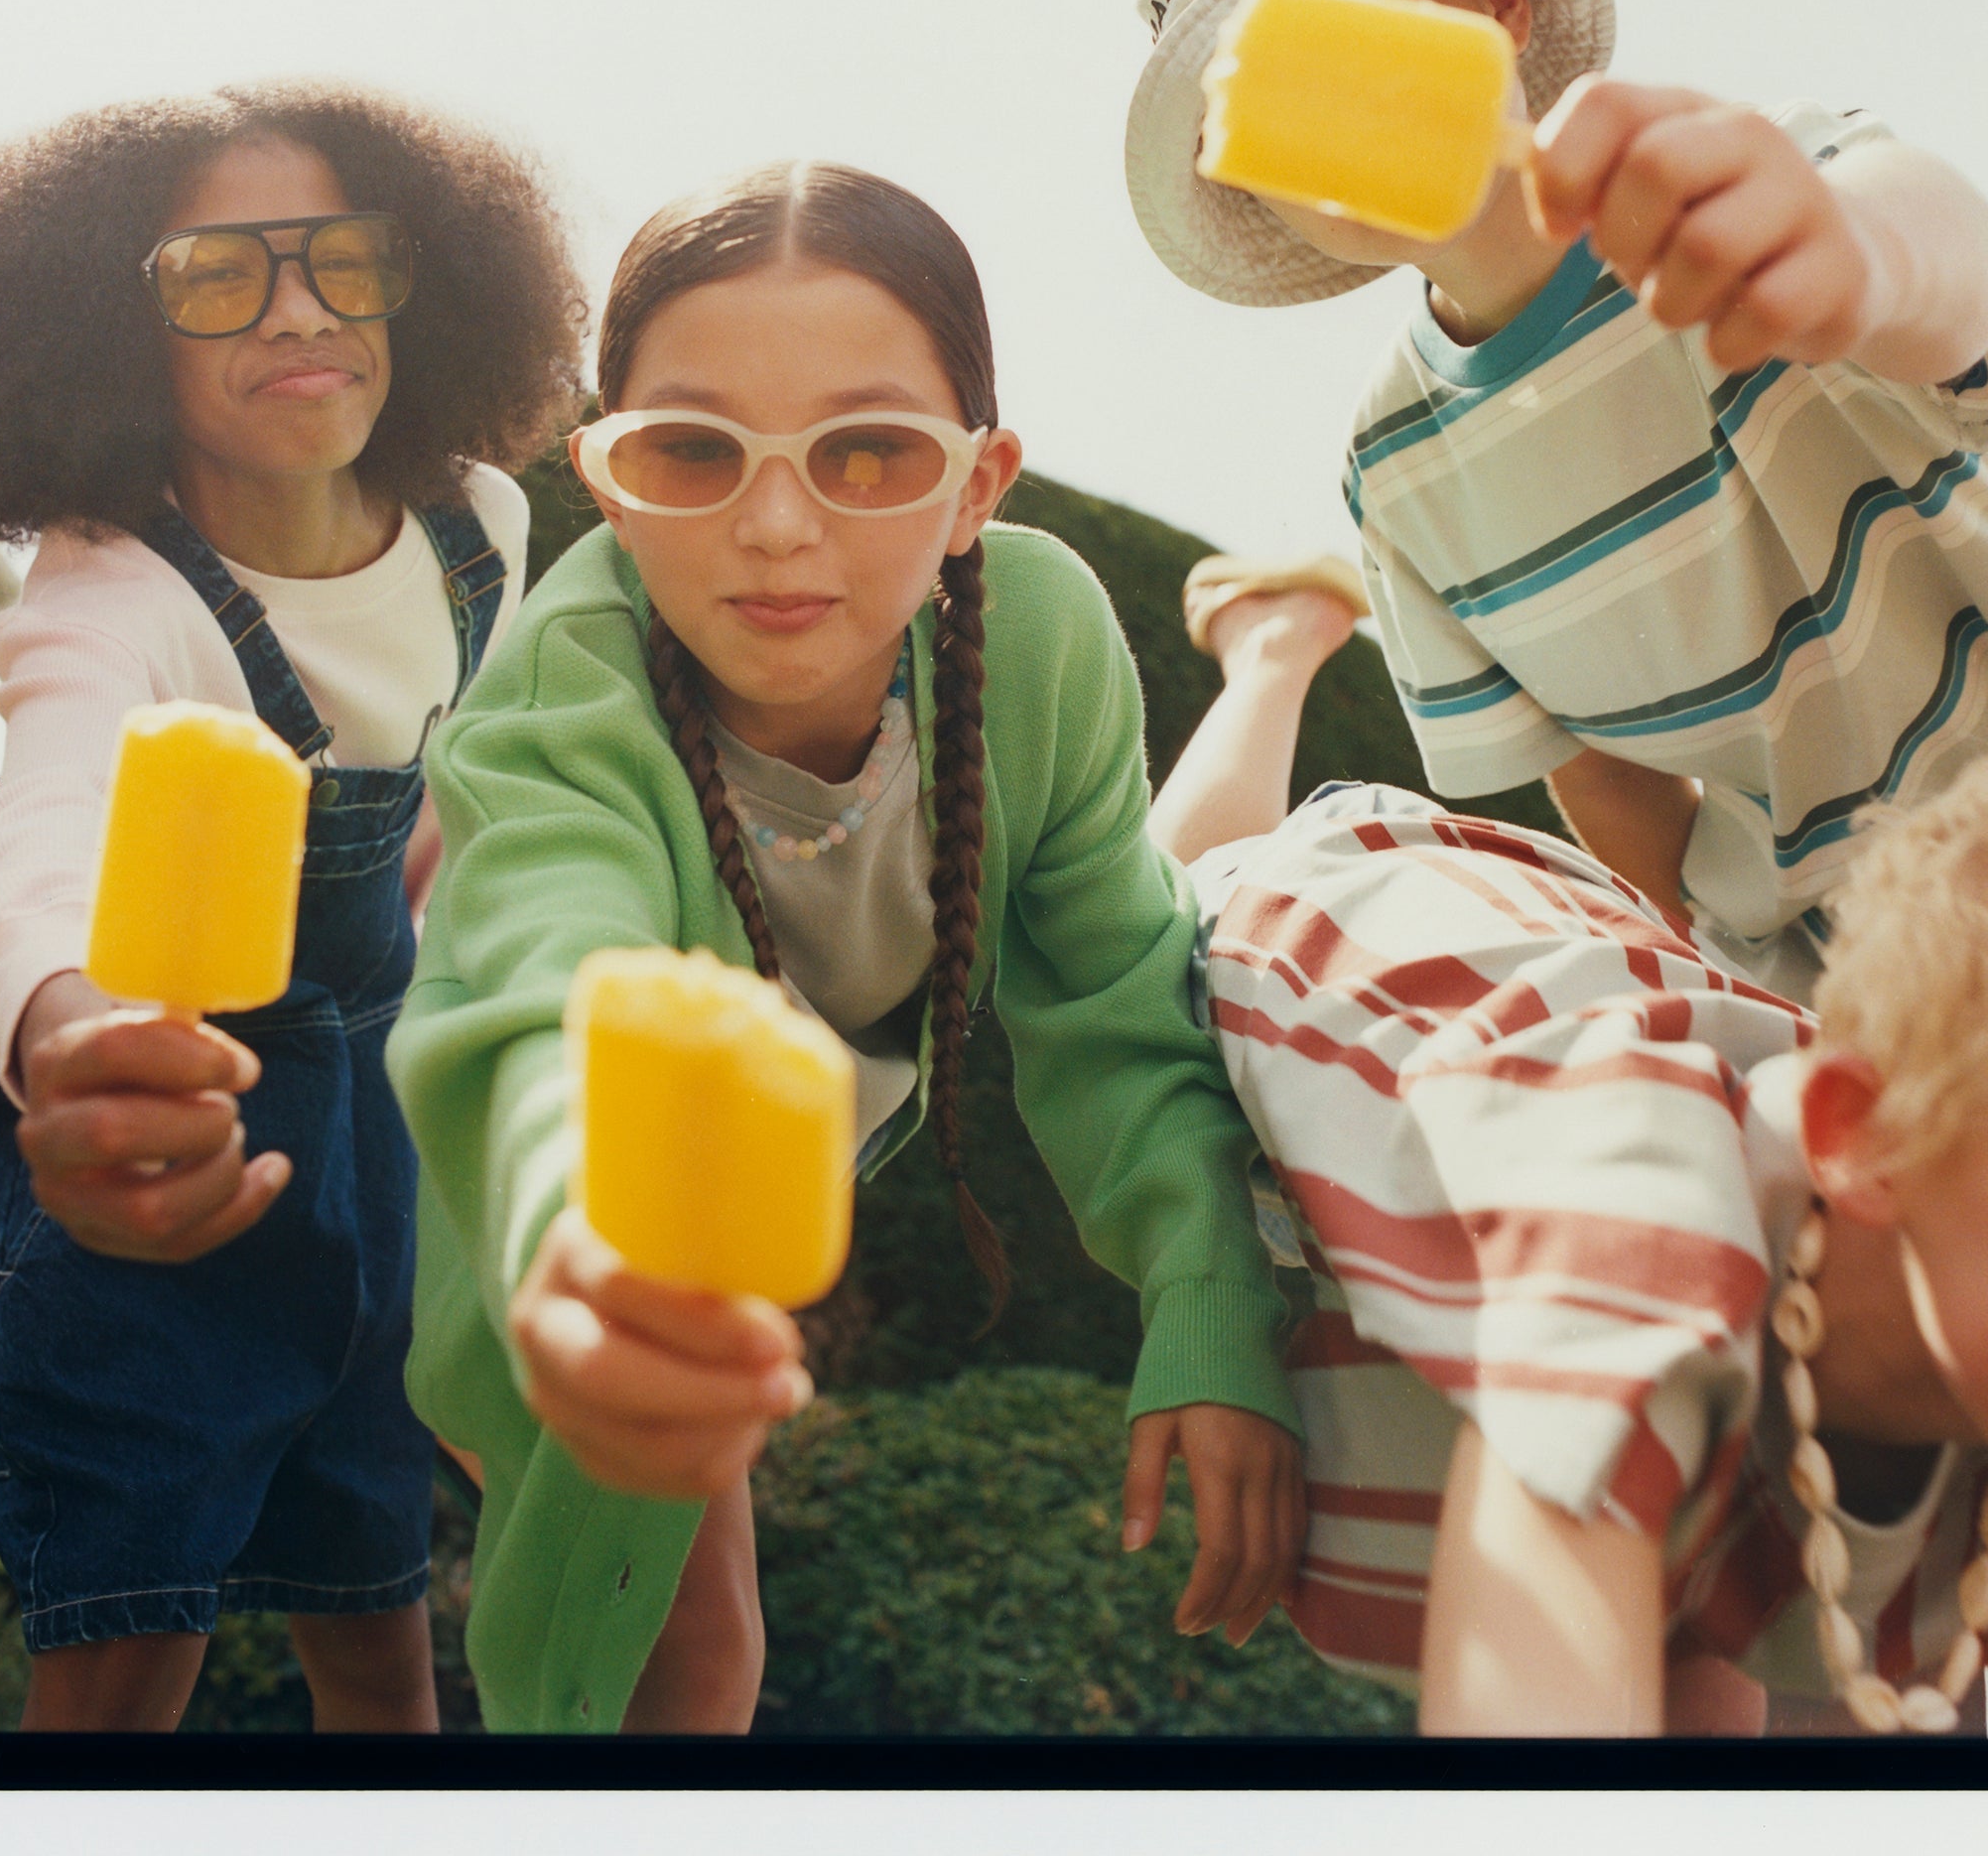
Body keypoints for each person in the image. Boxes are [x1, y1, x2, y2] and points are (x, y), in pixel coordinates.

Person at [385, 160, 1308, 1736]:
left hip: (722, 1195)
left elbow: (1110, 991)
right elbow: (554, 990)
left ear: (978, 484)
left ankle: (1278, 657)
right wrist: (580, 1237)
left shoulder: (1040, 638)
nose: (774, 526)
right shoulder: (562, 690)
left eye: (869, 449)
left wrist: (1210, 1303)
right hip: (504, 1207)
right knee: (643, 1634)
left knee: (700, 1638)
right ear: (607, 478)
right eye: (692, 448)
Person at [1126, 0, 1988, 1003]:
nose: (1326, 101)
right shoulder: (1391, 469)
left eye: (1344, 22)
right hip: (1856, 968)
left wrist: (1857, 253)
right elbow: (1600, 779)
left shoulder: (1743, 202)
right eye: (1246, 99)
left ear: (1501, 16)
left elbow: (1943, 260)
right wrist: (1719, 975)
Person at [1152, 594, 1988, 1736]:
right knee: (1168, 899)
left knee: (1687, 1604)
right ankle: (1274, 646)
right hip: (1364, 937)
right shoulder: (1647, 1202)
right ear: (1868, 1143)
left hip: (1643, 1046)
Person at [0, 83, 586, 1730]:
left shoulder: (486, 522)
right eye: (219, 277)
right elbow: (35, 834)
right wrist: (70, 1023)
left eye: (346, 260)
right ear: (116, 335)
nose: (303, 309)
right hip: (156, 1103)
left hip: (376, 1102)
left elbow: (479, 798)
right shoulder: (120, 595)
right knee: (130, 1623)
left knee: (372, 1582)